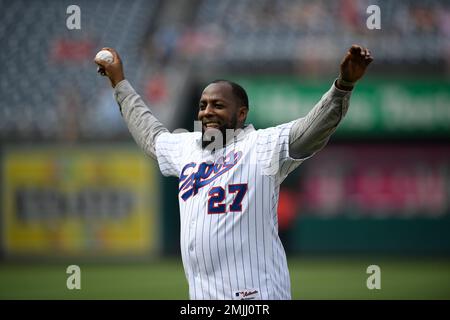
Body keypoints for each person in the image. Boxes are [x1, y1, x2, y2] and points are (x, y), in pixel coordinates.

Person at [95, 44, 373, 300]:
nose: (207, 111)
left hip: (256, 297)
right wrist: (120, 84)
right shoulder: (188, 147)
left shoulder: (262, 145)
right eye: (203, 105)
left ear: (241, 114)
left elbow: (313, 130)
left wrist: (343, 86)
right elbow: (150, 134)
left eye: (217, 105)